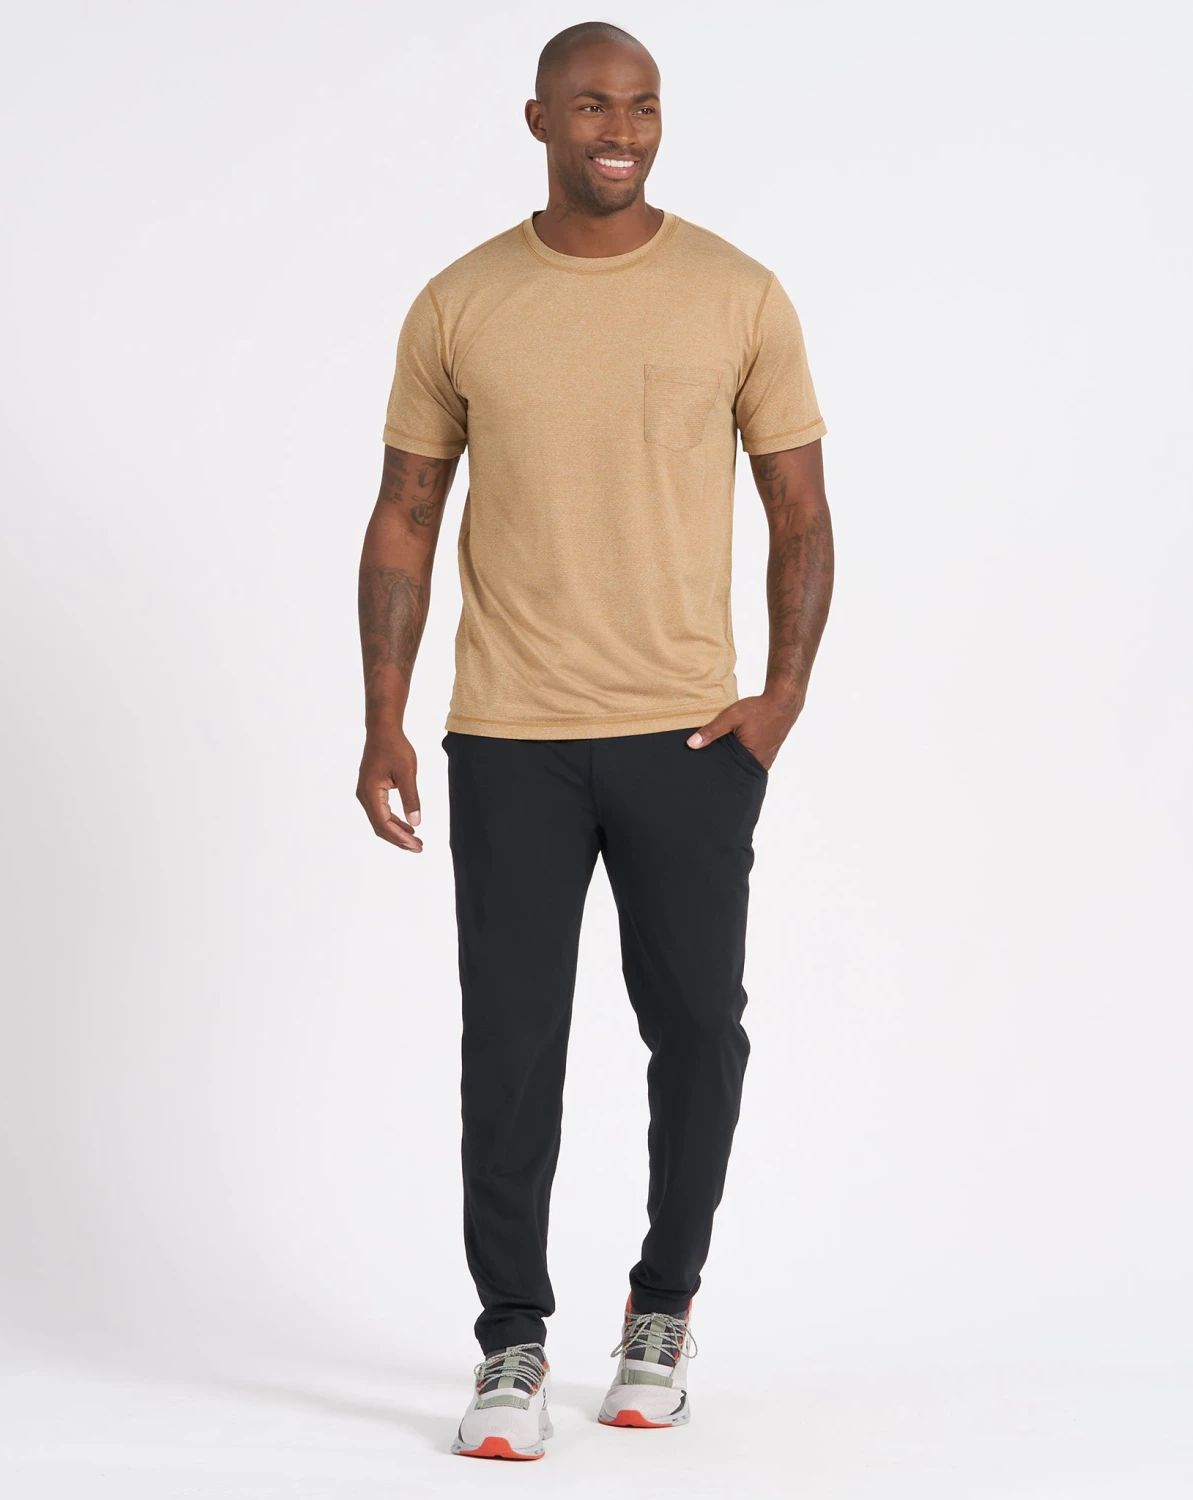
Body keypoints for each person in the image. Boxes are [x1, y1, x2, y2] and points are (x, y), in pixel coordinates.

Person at [356, 20, 834, 1461]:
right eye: (589, 106)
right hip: (509, 734)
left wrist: (780, 698)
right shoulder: (462, 302)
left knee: (698, 1030)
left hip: (689, 737)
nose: (618, 129)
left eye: (641, 105)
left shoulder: (738, 293)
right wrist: (383, 715)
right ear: (538, 120)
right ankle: (511, 1340)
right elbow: (405, 515)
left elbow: (800, 511)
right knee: (509, 1046)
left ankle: (661, 1308)